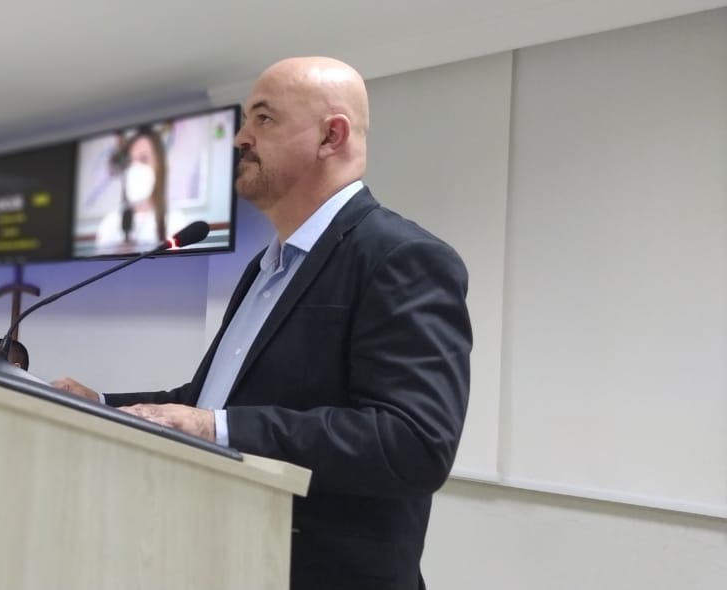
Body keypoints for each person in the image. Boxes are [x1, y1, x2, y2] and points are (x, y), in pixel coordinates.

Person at [53, 57, 472, 589]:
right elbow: (209, 402)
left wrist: (215, 428)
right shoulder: (265, 267)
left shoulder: (401, 257)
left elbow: (413, 443)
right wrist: (99, 404)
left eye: (264, 119)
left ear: (331, 136)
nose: (240, 138)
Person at [93, 128, 188, 253]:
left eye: (143, 159)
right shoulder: (109, 224)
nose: (135, 167)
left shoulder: (176, 222)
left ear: (159, 166)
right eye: (130, 161)